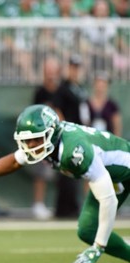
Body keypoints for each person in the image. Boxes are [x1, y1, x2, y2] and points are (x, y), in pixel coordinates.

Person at [0, 104, 130, 263]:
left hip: (124, 171)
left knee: (95, 231)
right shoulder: (50, 144)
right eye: (27, 141)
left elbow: (108, 199)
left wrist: (98, 247)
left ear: (51, 133)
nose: (31, 146)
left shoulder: (74, 151)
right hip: (113, 177)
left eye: (35, 140)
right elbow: (15, 161)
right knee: (87, 230)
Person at [53, 53, 90, 218]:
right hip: (69, 134)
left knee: (78, 170)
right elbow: (57, 110)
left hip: (80, 133)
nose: (75, 71)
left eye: (77, 68)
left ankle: (74, 207)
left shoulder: (80, 89)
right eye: (73, 67)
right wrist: (65, 130)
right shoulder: (63, 88)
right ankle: (64, 209)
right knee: (67, 171)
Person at [30, 56, 62, 220]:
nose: (50, 74)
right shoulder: (40, 92)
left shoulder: (61, 91)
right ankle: (38, 204)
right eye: (47, 71)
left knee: (62, 173)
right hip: (42, 138)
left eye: (52, 70)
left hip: (58, 137)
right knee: (41, 173)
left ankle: (60, 205)